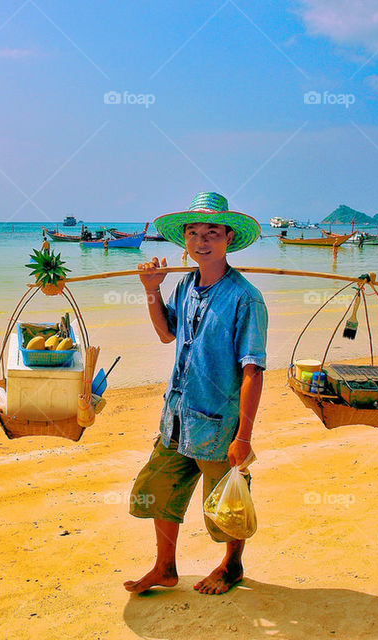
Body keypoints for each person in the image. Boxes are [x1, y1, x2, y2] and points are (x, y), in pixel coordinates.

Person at [125, 192, 267, 596]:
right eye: (193, 233)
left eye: (211, 233)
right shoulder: (186, 284)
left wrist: (244, 436)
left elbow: (253, 371)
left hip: (220, 424)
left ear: (227, 239)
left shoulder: (245, 297)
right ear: (183, 239)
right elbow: (167, 332)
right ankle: (164, 567)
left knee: (228, 500)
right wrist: (151, 289)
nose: (201, 241)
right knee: (160, 487)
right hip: (177, 414)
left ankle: (231, 565)